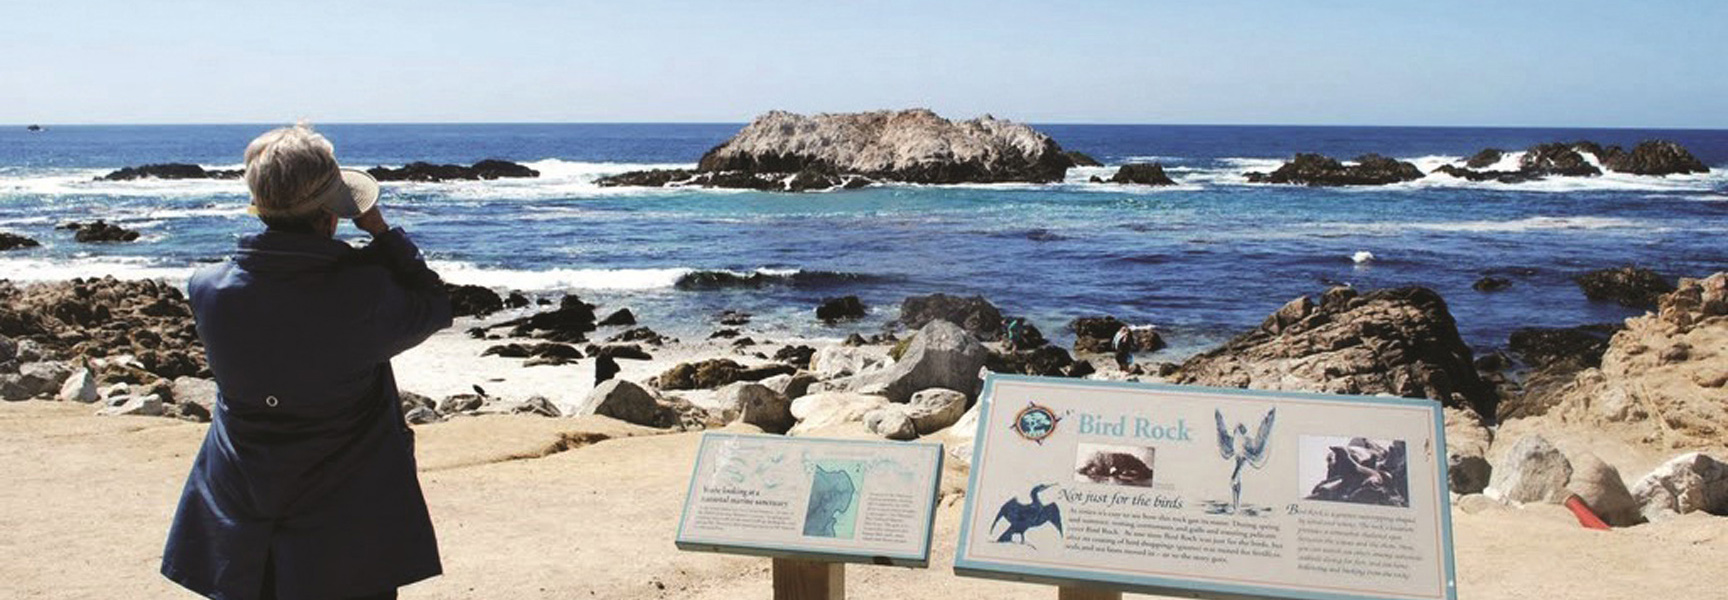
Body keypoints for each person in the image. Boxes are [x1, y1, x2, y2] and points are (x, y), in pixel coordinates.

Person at [161, 124, 453, 600]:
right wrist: (380, 231)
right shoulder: (364, 292)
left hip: (241, 508)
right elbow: (434, 304)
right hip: (347, 519)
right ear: (329, 217)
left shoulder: (208, 289)